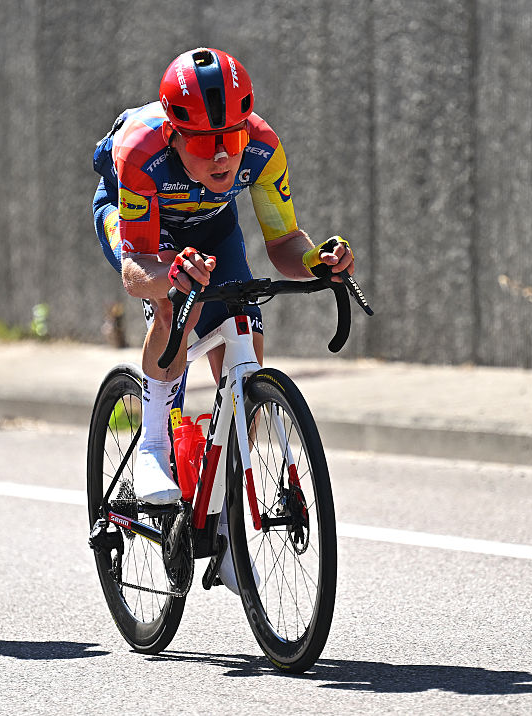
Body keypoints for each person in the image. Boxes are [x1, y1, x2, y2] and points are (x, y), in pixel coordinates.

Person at [91, 47, 355, 591]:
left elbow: (283, 241)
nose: (222, 156)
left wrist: (315, 262)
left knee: (246, 356)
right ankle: (153, 447)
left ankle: (227, 525)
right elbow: (139, 267)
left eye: (230, 139)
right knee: (172, 306)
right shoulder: (142, 151)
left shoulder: (262, 146)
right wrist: (170, 277)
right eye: (206, 143)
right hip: (139, 226)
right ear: (174, 133)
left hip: (213, 230)